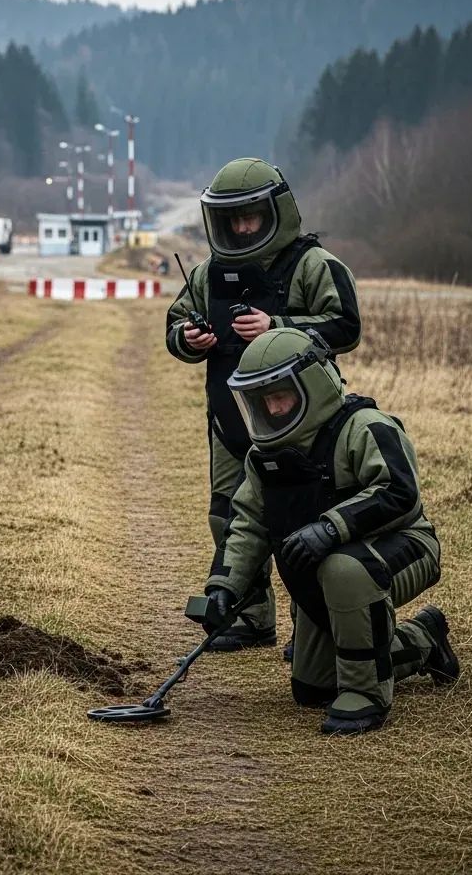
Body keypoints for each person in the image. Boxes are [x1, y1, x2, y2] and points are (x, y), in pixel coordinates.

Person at [203, 328, 459, 735]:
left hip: (406, 547)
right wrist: (225, 588)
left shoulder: (365, 427)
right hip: (326, 570)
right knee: (312, 688)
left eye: (280, 395)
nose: (272, 407)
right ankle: (424, 639)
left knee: (344, 570)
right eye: (261, 400)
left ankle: (368, 697)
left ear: (311, 384)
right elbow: (248, 522)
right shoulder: (263, 456)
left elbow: (399, 494)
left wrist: (329, 528)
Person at [166, 158, 360, 651]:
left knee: (304, 518)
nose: (242, 227)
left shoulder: (314, 265)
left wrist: (279, 326)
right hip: (228, 417)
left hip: (303, 421)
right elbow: (175, 324)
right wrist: (190, 339)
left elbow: (345, 327)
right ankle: (250, 617)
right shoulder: (208, 273)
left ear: (276, 211)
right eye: (232, 219)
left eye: (250, 216)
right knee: (227, 514)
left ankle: (314, 628)